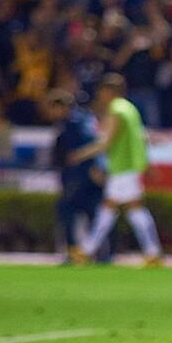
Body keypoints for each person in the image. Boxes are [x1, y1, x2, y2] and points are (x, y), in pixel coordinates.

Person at [68, 73, 163, 267]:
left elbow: (106, 141)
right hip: (129, 166)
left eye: (102, 91)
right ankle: (151, 252)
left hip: (122, 167)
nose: (100, 96)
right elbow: (141, 137)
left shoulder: (117, 110)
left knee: (119, 209)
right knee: (120, 209)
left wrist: (81, 154)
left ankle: (87, 251)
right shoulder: (130, 109)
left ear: (109, 91)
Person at [47, 88, 111, 264]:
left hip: (81, 176)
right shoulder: (84, 119)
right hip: (83, 175)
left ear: (62, 107)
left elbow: (92, 144)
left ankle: (77, 253)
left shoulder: (74, 122)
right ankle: (101, 255)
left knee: (68, 211)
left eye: (53, 108)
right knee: (94, 215)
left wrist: (89, 163)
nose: (51, 113)